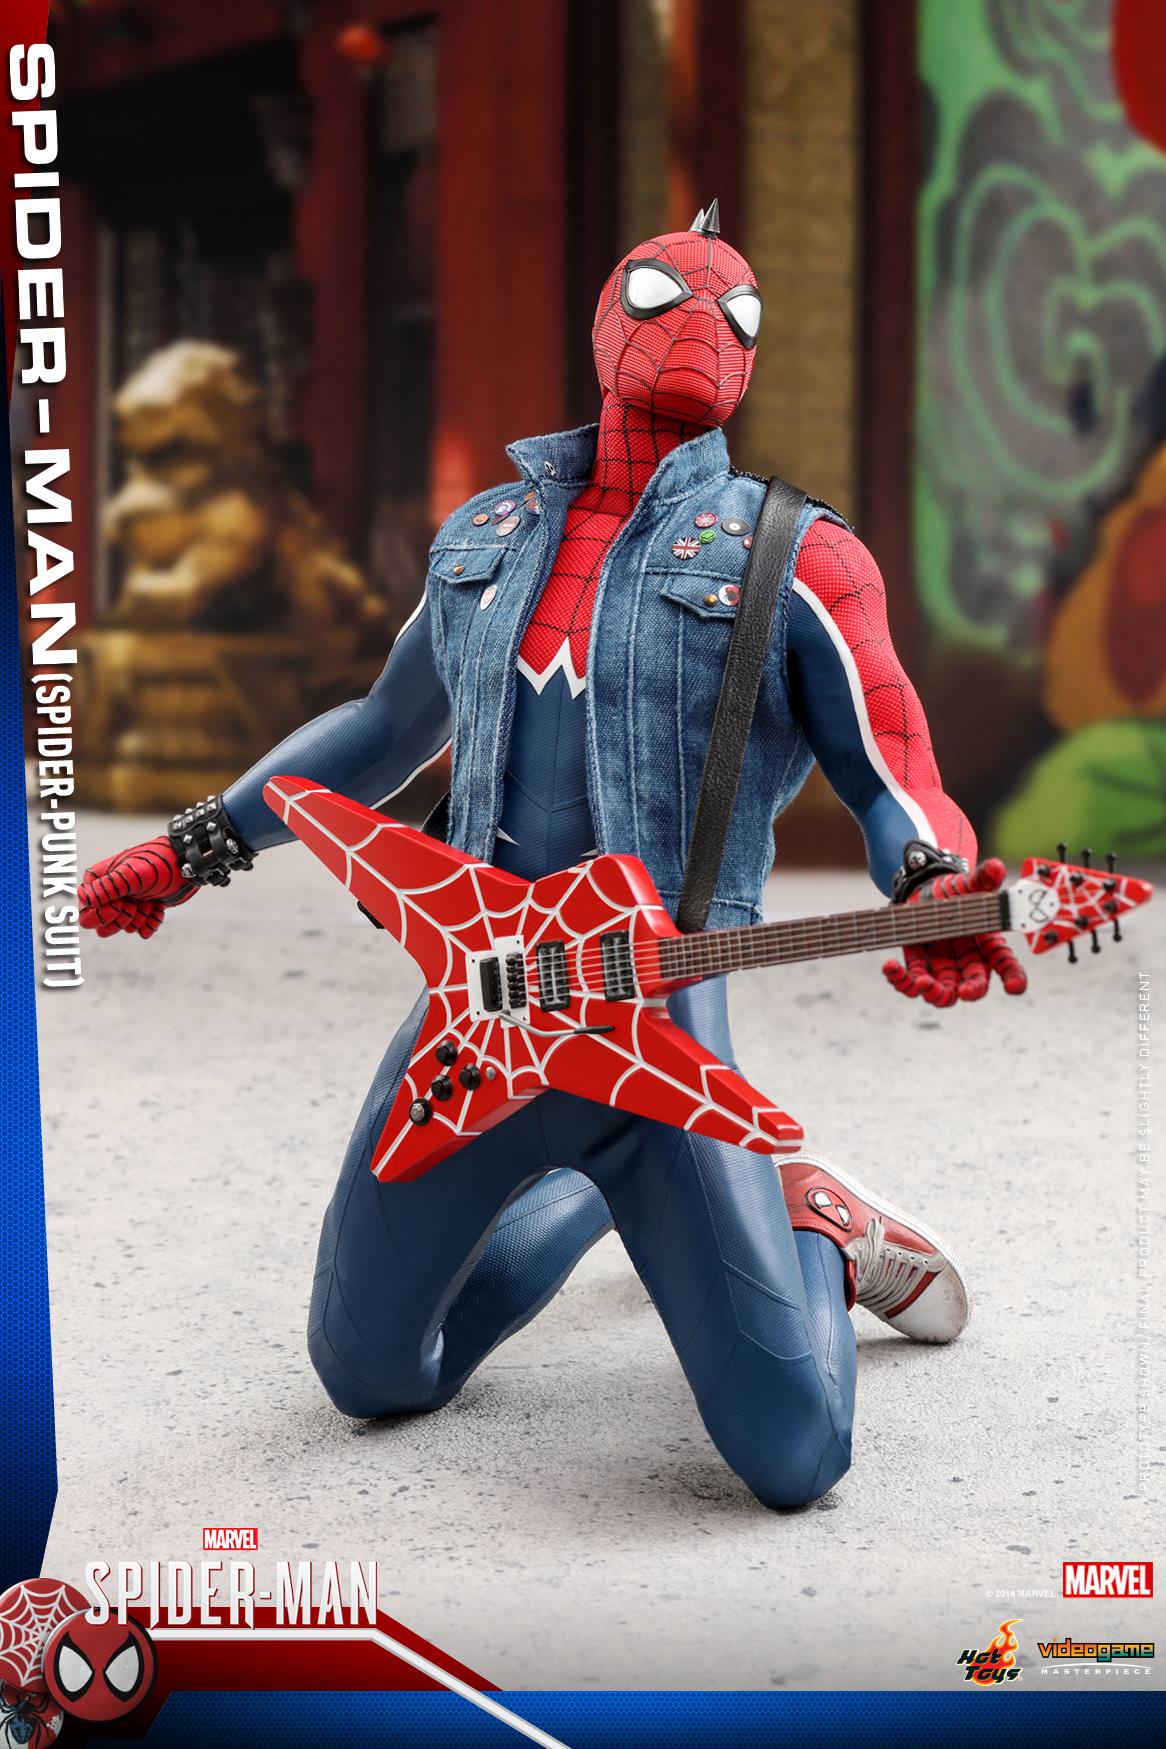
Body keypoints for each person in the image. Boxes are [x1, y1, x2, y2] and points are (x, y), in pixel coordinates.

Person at [79, 205, 1025, 1509]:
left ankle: (810, 1222)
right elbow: (379, 728)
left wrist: (931, 882)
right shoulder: (486, 536)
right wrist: (196, 845)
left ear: (753, 356)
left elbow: (889, 763)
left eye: (734, 312)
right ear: (602, 325)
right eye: (660, 296)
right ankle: (592, 1201)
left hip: (659, 1032)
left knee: (793, 1450)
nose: (699, 324)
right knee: (370, 1371)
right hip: (474, 1013)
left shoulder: (796, 554)